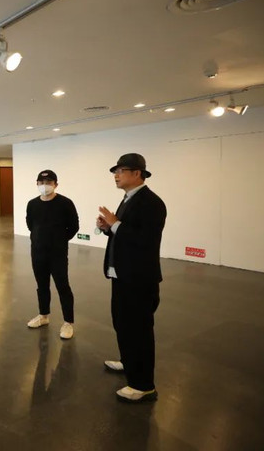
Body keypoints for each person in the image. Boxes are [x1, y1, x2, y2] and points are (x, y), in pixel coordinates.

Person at [96, 153, 166, 402]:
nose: (116, 175)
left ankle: (143, 385)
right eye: (115, 171)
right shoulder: (128, 199)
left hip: (139, 279)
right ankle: (129, 362)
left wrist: (115, 224)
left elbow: (145, 241)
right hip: (122, 275)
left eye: (120, 171)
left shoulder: (151, 203)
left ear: (137, 173)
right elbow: (126, 234)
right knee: (123, 324)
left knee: (139, 330)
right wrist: (109, 228)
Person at [25, 170, 79, 339]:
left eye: (48, 182)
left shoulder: (65, 203)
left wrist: (60, 240)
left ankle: (68, 322)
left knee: (63, 286)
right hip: (37, 252)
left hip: (57, 253)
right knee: (42, 285)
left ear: (56, 184)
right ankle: (43, 315)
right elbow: (30, 224)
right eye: (41, 182)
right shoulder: (32, 204)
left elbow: (74, 226)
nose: (44, 185)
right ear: (37, 184)